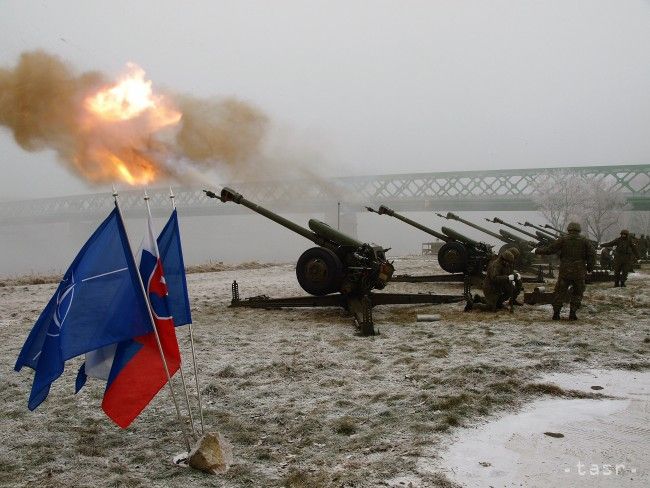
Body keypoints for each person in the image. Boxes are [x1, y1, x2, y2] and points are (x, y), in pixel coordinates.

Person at [533, 222, 595, 320]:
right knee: (578, 292)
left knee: (560, 292)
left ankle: (556, 313)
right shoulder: (584, 241)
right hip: (579, 271)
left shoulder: (563, 239)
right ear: (579, 230)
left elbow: (550, 249)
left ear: (569, 229)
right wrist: (590, 268)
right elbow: (592, 254)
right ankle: (573, 313)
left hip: (565, 270)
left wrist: (537, 250)